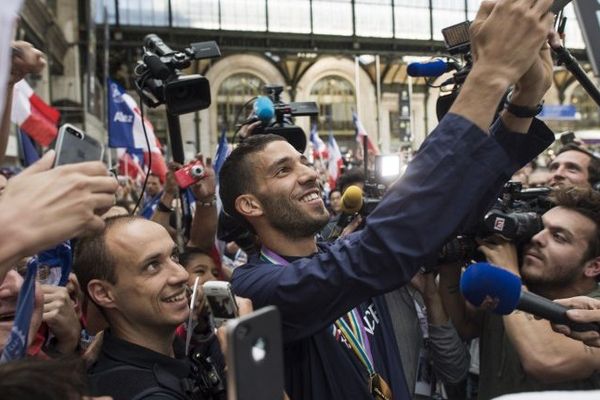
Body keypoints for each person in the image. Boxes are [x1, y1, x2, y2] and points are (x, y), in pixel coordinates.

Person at [219, 1, 557, 398]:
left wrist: (523, 102)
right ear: (249, 205)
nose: (309, 173)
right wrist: (489, 76)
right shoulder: (254, 287)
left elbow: (447, 210)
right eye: (283, 170)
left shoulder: (339, 249)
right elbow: (383, 246)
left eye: (305, 161)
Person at [440, 187, 600, 399]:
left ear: (593, 267)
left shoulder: (594, 313)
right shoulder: (521, 283)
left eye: (559, 237)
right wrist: (449, 262)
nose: (538, 239)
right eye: (539, 228)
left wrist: (508, 274)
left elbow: (548, 361)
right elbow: (466, 326)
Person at [73, 216, 249, 400]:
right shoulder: (142, 392)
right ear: (103, 293)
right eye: (152, 266)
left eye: (174, 256)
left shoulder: (176, 351)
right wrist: (250, 369)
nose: (181, 275)